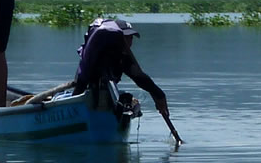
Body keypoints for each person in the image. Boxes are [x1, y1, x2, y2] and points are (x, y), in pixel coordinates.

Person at [21, 18, 170, 125]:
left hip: (101, 92)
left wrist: (158, 96)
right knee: (69, 96)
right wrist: (158, 94)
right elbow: (80, 85)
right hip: (82, 91)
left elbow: (139, 77)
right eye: (127, 37)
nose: (129, 42)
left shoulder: (122, 58)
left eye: (131, 38)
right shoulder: (95, 56)